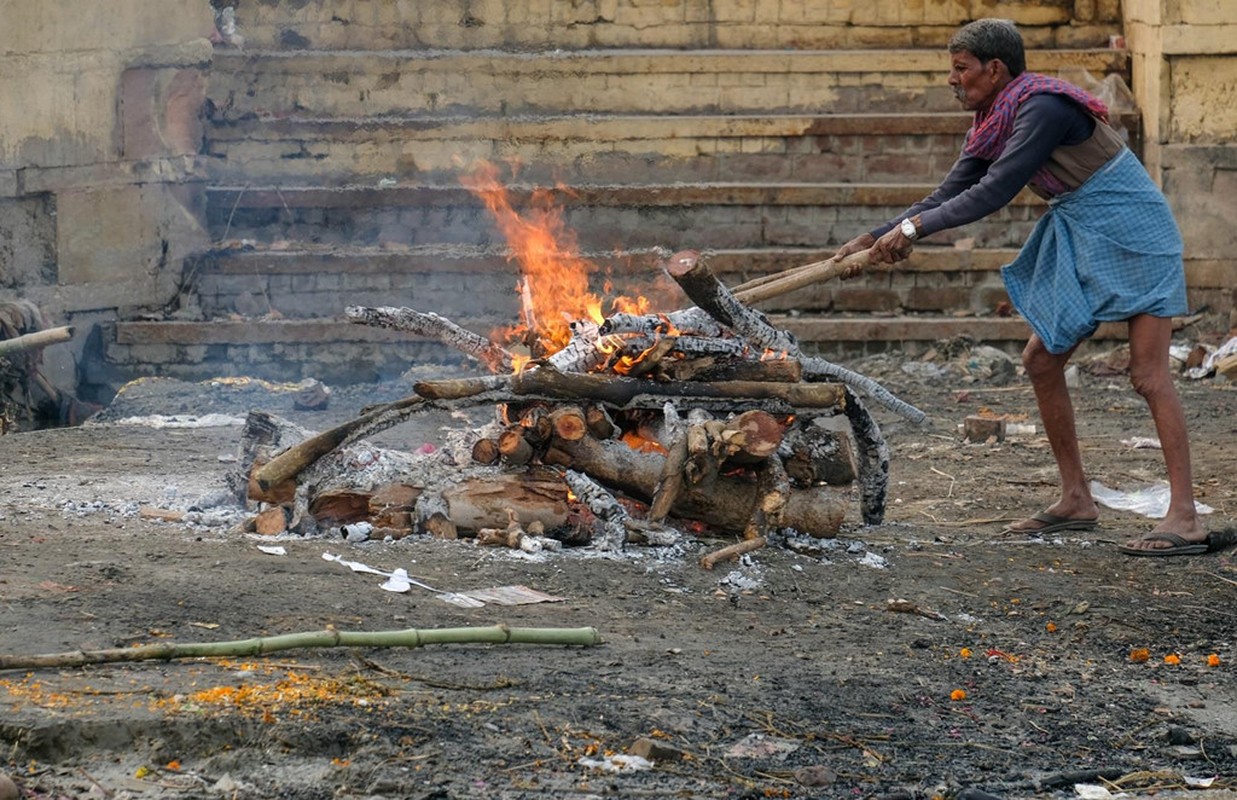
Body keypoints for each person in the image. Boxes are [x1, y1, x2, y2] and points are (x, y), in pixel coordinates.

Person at [831, 18, 1221, 556]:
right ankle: (1076, 500)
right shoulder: (993, 119)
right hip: (1080, 228)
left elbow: (996, 190)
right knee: (1041, 361)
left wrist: (912, 231)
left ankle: (1185, 518)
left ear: (994, 69)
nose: (952, 79)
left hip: (1135, 231)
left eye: (960, 69)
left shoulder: (1042, 107)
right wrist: (874, 236)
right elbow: (952, 189)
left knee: (1149, 375)